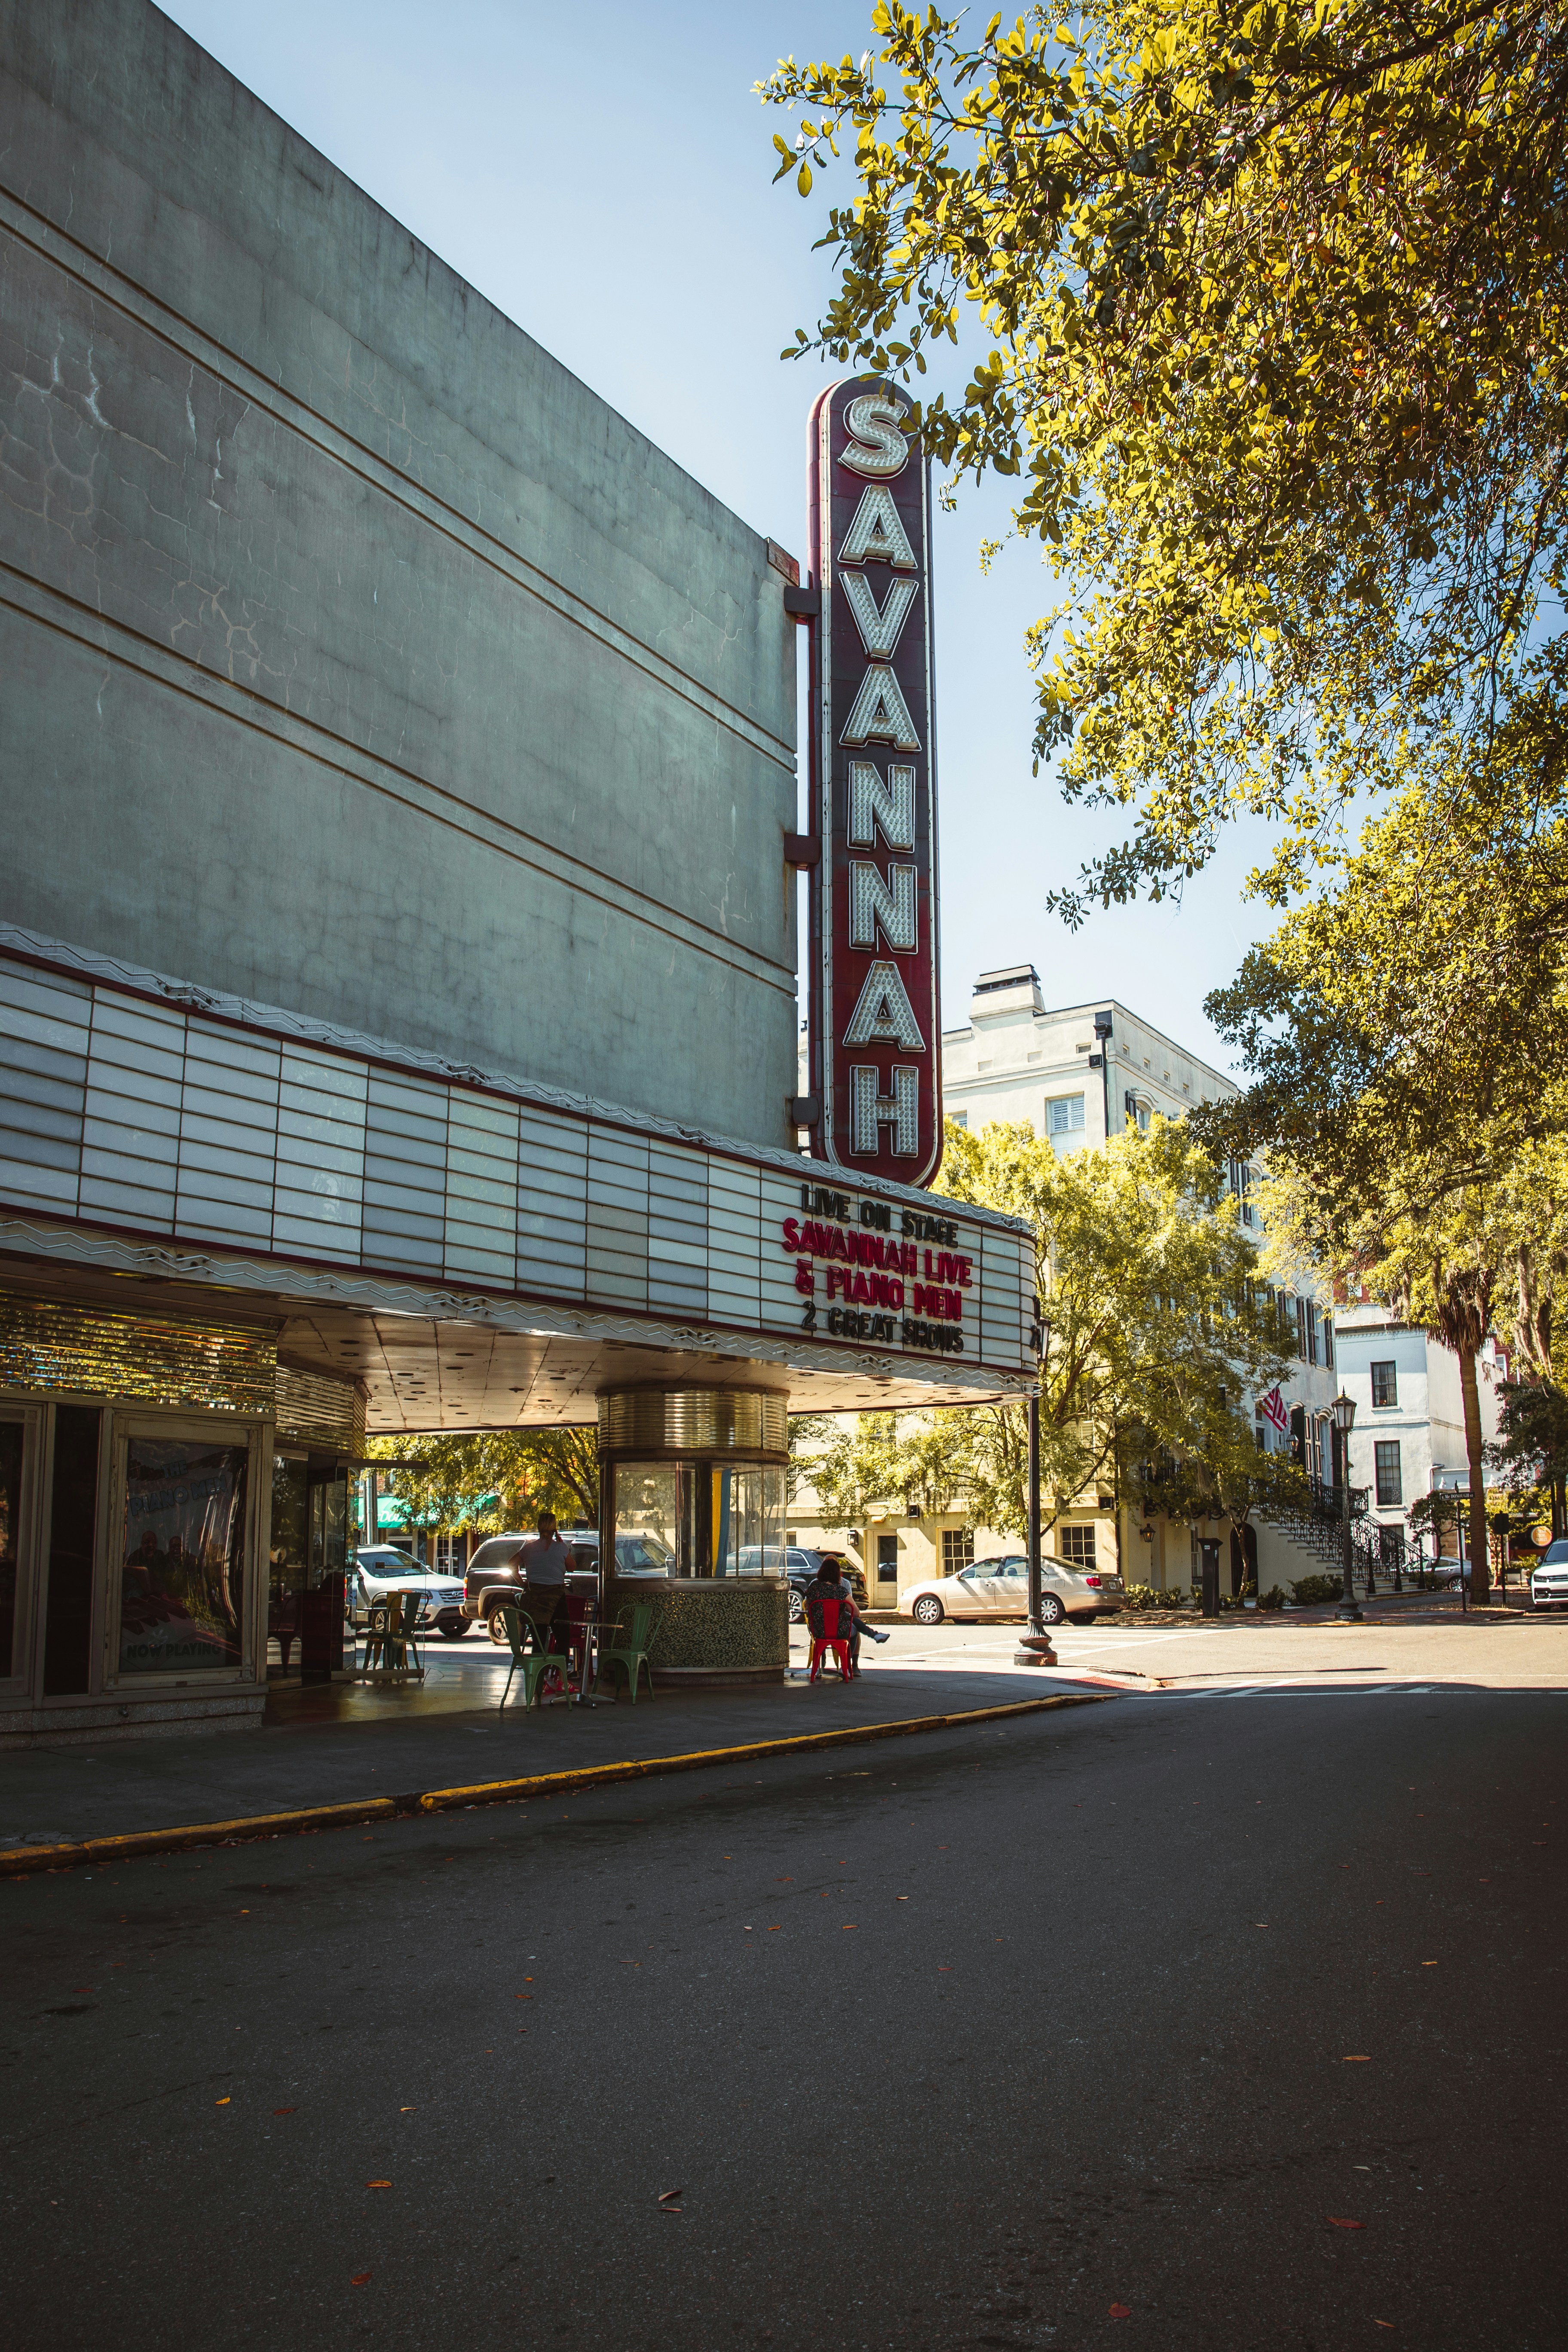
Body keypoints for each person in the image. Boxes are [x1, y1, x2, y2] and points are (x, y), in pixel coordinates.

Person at [517, 1510, 571, 1651]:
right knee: (563, 1640)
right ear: (555, 1528)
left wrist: (521, 1582)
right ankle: (560, 1671)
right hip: (557, 1599)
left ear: (538, 1528)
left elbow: (511, 1564)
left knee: (539, 1642)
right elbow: (572, 1566)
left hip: (535, 1598)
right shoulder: (561, 1548)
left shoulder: (529, 1548)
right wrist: (561, 1546)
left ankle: (538, 1672)